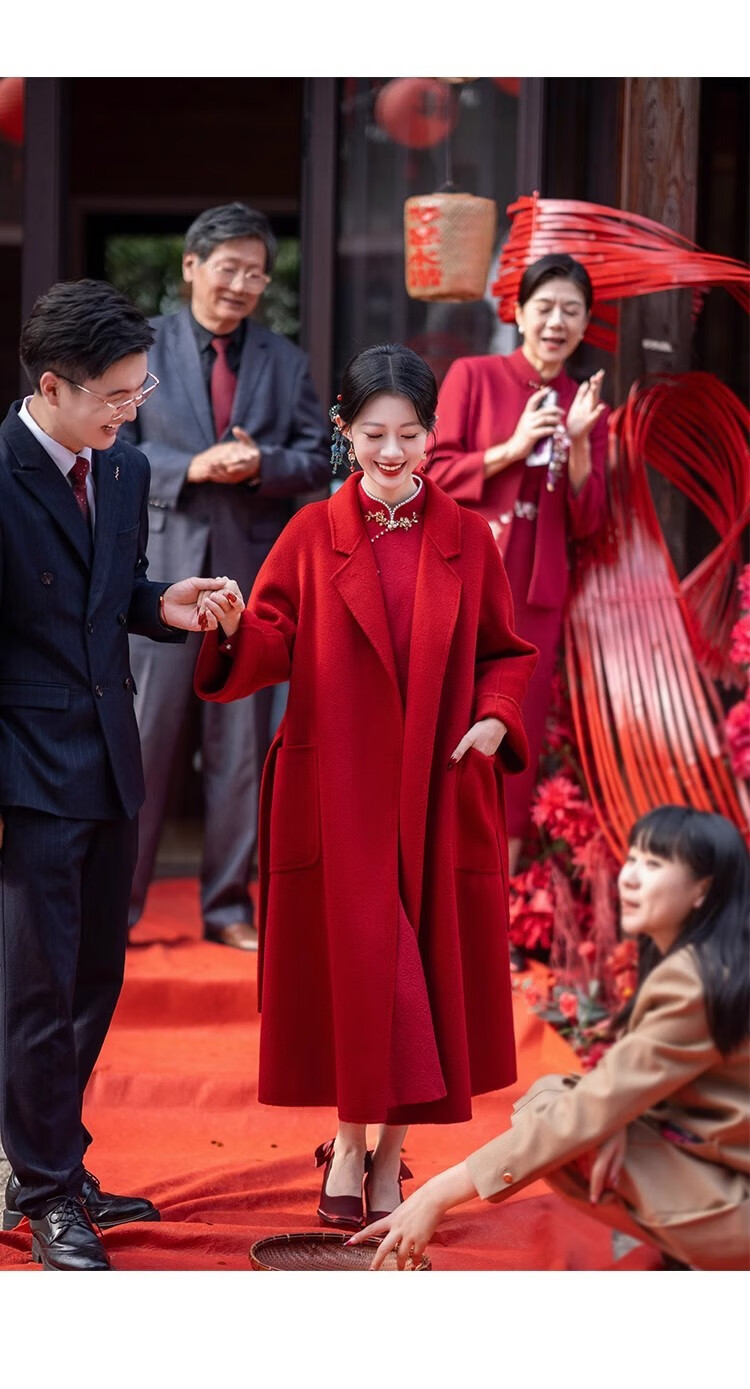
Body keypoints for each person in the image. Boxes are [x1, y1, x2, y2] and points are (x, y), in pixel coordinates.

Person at [194, 343, 538, 1228]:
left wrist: (495, 717)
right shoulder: (311, 533)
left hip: (436, 786)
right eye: (373, 433)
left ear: (433, 434)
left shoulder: (468, 537)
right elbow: (270, 639)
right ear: (343, 430)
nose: (392, 452)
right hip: (338, 789)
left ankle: (382, 1151)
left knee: (422, 971)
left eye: (410, 434)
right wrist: (232, 626)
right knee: (367, 973)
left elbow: (506, 654)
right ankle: (355, 1143)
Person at [0, 279, 230, 1270]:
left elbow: (114, 591)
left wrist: (159, 603)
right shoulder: (2, 470)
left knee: (96, 978)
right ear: (53, 386)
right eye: (117, 395)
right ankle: (46, 1192)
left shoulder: (124, 469)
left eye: (141, 392)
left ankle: (49, 1159)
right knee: (36, 991)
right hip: (25, 769)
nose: (132, 412)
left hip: (109, 752)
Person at [349, 806, 750, 1271]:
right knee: (555, 1101)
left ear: (703, 890)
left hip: (734, 1197)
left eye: (655, 864)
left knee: (564, 1123)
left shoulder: (695, 982)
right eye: (633, 859)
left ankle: (706, 1255)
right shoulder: (707, 962)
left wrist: (436, 1194)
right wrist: (614, 1122)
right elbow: (627, 1088)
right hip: (716, 1156)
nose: (630, 878)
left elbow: (590, 1108)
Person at [122, 202, 329, 951]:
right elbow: (111, 442)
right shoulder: (141, 347)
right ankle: (118, 907)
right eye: (228, 268)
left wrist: (262, 464)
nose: (241, 284)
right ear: (191, 267)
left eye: (255, 272)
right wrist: (193, 466)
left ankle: (227, 907)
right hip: (159, 575)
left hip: (249, 580)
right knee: (141, 742)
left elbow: (318, 456)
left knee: (240, 749)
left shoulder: (284, 360)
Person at [429, 254, 610, 888]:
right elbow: (430, 471)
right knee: (444, 721)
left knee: (514, 738)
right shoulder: (474, 375)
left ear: (585, 324)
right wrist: (512, 447)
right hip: (462, 578)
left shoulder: (584, 403)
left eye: (571, 311)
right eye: (545, 307)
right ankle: (428, 883)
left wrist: (580, 440)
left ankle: (495, 902)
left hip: (536, 593)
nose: (557, 322)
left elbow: (590, 521)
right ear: (518, 312)